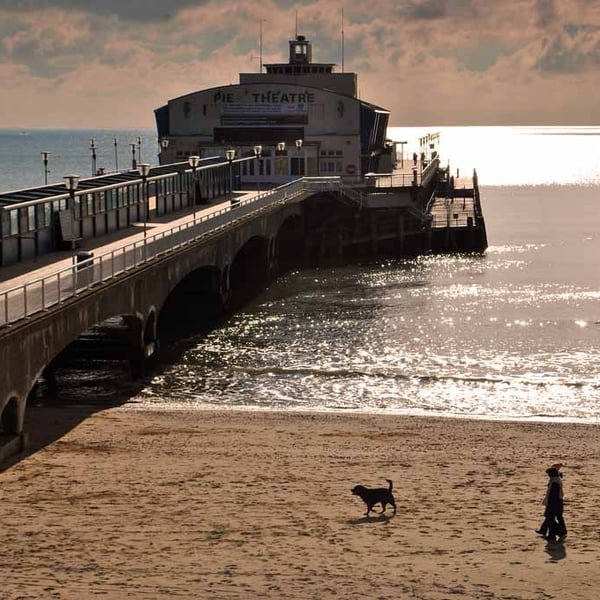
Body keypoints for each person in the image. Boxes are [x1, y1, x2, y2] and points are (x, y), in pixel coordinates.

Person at [537, 464, 567, 541]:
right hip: (557, 503)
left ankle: (556, 533)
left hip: (554, 504)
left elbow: (553, 496)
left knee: (550, 519)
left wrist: (549, 505)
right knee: (550, 519)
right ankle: (547, 532)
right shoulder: (556, 480)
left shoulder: (554, 483)